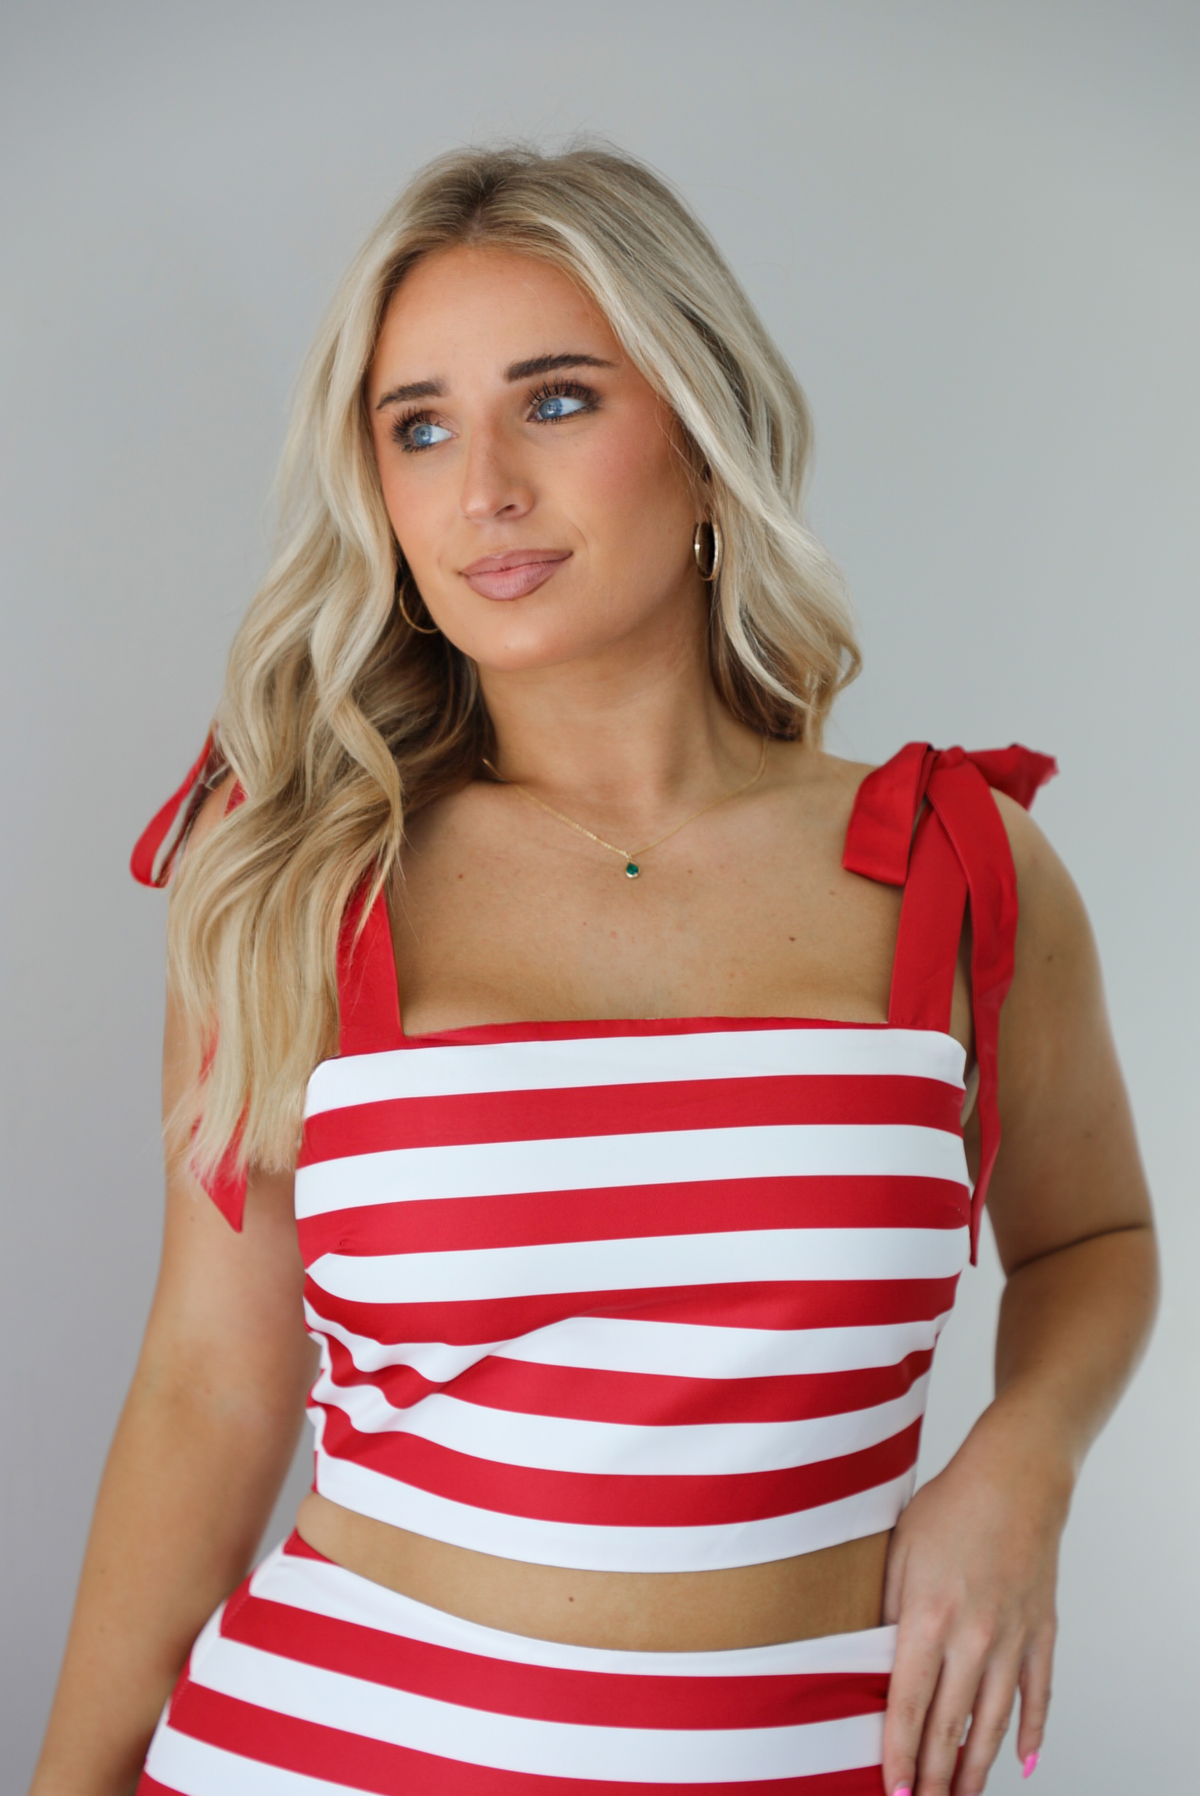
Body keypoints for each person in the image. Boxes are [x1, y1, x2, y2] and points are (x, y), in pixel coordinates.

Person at [30, 145, 1156, 1796]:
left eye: (553, 401)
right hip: (329, 1748)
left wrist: (1025, 1462)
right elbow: (207, 1387)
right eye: (417, 426)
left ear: (701, 439)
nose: (480, 484)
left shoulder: (957, 863)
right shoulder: (297, 885)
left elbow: (1094, 1238)